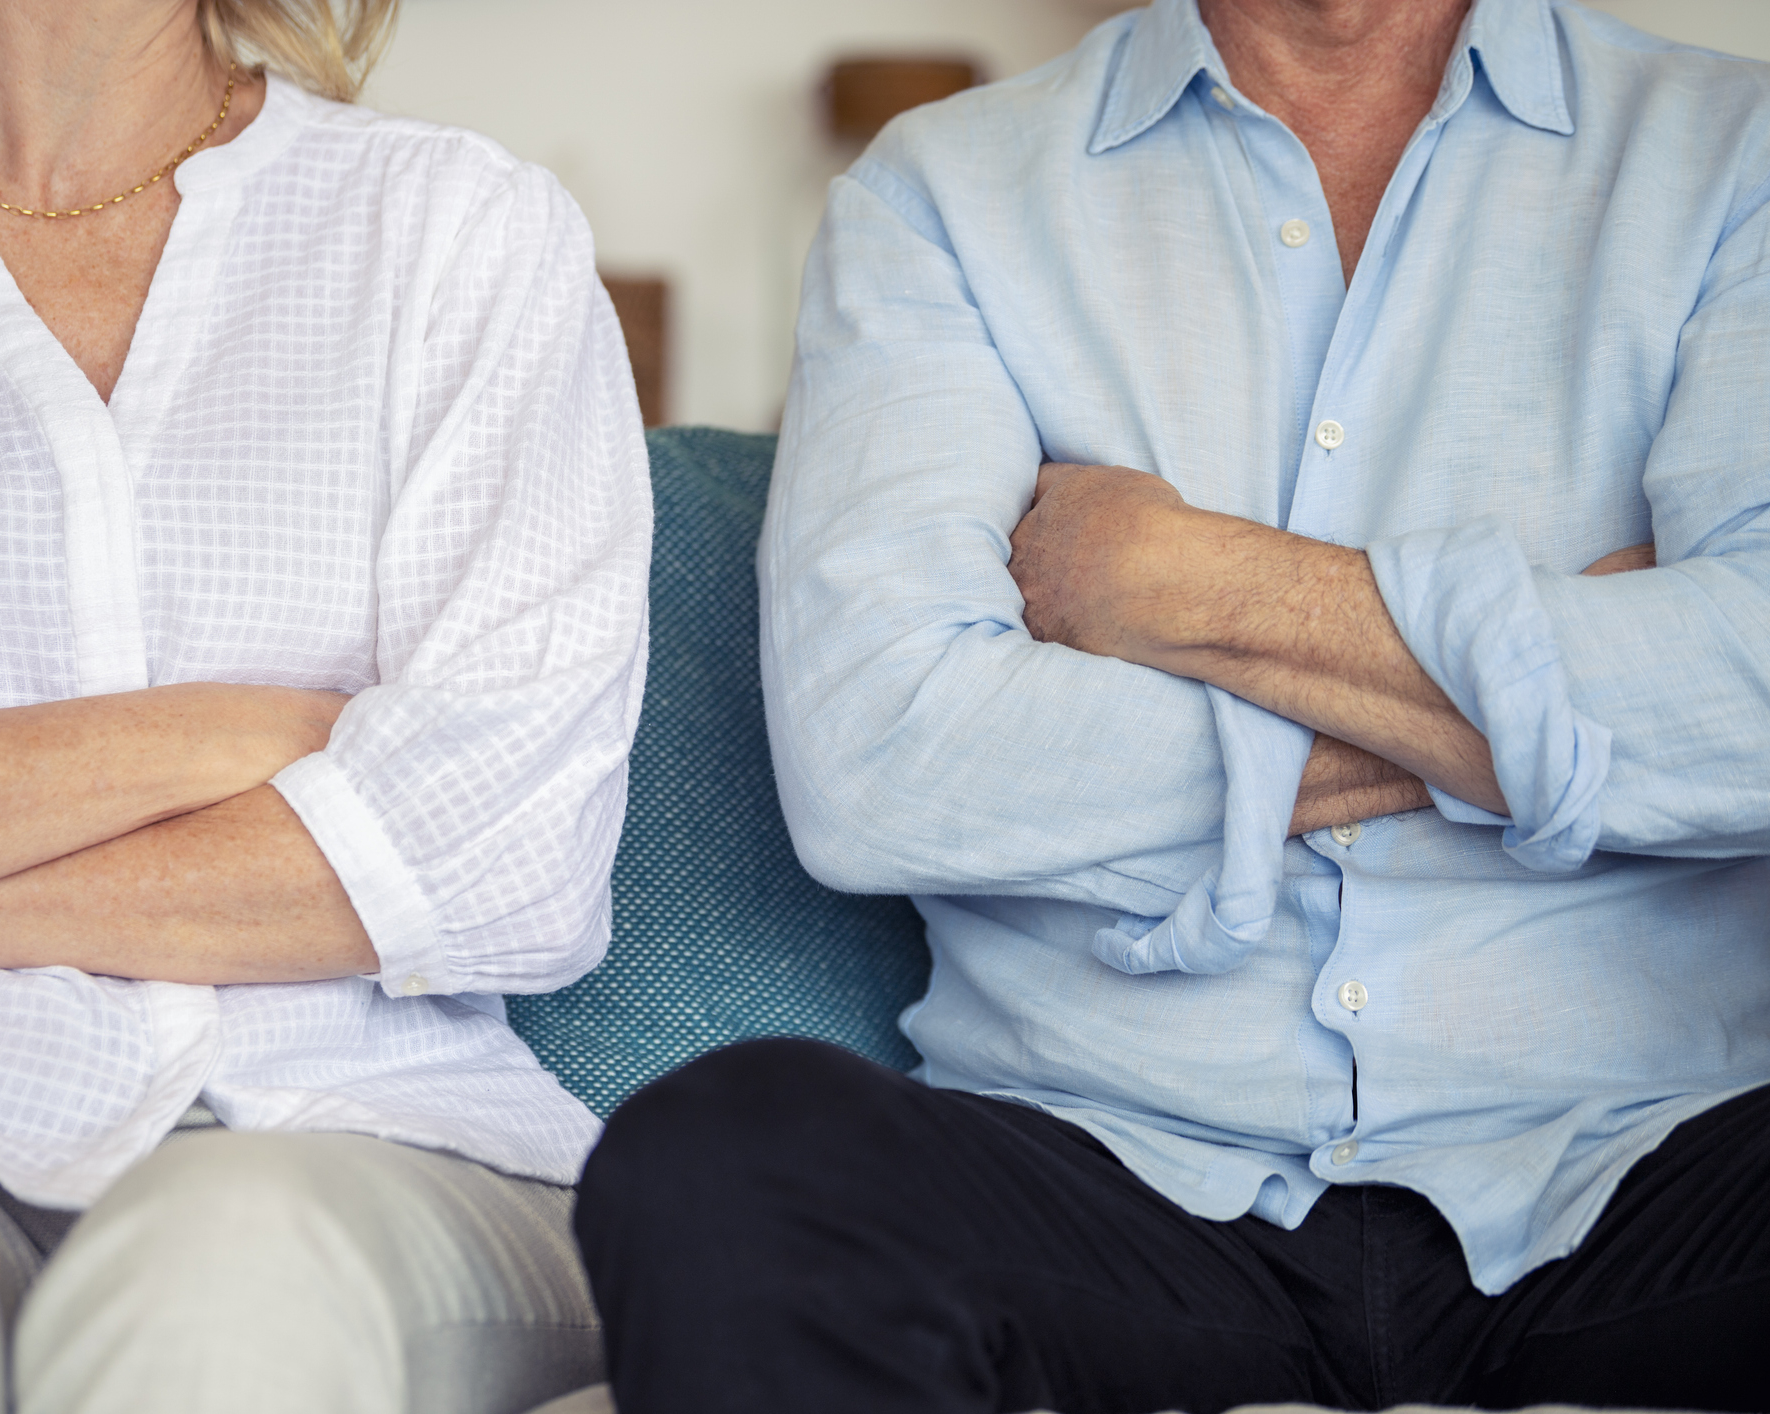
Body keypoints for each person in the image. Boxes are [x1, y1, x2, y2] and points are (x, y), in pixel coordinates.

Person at [573, 0, 1770, 1410]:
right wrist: (1555, 656)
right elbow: (881, 756)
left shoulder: (1734, 154)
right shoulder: (940, 194)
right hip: (1111, 1168)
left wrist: (1174, 581)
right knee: (729, 1159)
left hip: (1650, 1157)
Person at [0, 0, 650, 1408]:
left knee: (219, 1248)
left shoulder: (458, 230)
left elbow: (503, 862)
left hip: (364, 1152)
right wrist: (222, 738)